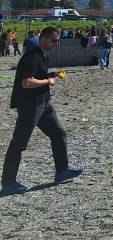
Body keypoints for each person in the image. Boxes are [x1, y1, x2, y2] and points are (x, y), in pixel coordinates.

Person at [1, 27, 82, 195]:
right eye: (53, 40)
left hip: (44, 103)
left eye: (57, 40)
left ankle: (62, 171)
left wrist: (53, 74)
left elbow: (39, 75)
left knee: (59, 133)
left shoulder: (43, 56)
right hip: (29, 105)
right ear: (43, 38)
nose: (55, 43)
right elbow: (27, 82)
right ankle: (8, 183)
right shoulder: (32, 57)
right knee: (19, 143)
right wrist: (48, 81)